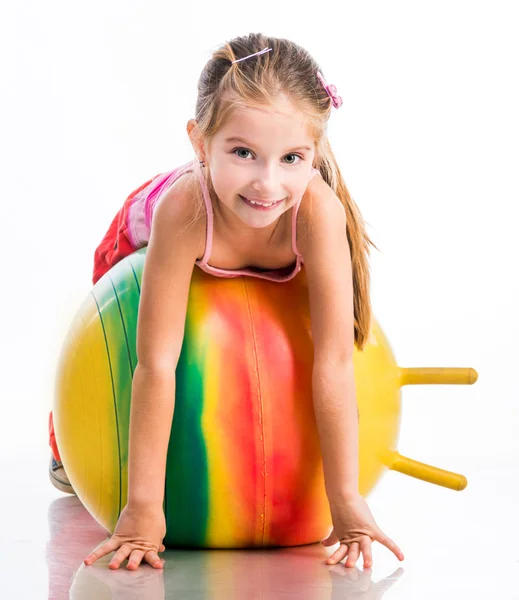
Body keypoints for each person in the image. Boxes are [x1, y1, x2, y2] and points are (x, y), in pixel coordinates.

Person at [50, 32, 405, 571]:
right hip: (142, 230)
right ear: (199, 143)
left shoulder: (316, 213)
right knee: (117, 349)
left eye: (292, 157)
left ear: (316, 153)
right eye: (242, 153)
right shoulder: (182, 210)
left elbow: (332, 362)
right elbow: (156, 363)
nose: (267, 183)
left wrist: (347, 499)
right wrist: (144, 506)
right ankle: (60, 444)